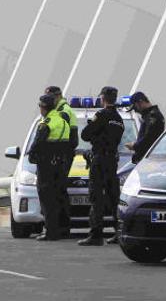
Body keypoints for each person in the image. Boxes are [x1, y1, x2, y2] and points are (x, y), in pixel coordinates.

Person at [78, 86, 125, 246]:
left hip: (99, 160)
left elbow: (85, 134)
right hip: (112, 160)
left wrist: (94, 130)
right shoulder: (119, 118)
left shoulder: (102, 115)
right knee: (113, 198)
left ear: (103, 98)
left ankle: (96, 235)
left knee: (96, 197)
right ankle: (119, 233)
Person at [26, 94, 71, 241]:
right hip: (61, 165)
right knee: (59, 197)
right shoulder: (63, 121)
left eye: (40, 106)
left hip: (46, 166)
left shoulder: (46, 123)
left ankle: (51, 232)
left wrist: (32, 156)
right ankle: (63, 230)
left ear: (44, 107)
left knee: (47, 199)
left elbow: (38, 144)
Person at [45, 86, 78, 236]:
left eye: (50, 97)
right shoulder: (59, 110)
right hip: (62, 155)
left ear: (57, 96)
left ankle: (61, 226)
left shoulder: (63, 111)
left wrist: (61, 155)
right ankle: (60, 226)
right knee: (59, 190)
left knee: (58, 191)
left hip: (62, 155)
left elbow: (71, 138)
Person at [124, 91, 165, 164]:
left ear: (141, 102)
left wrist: (134, 146)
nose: (136, 111)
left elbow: (149, 138)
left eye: (135, 107)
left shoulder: (153, 116)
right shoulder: (149, 116)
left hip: (149, 161)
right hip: (147, 159)